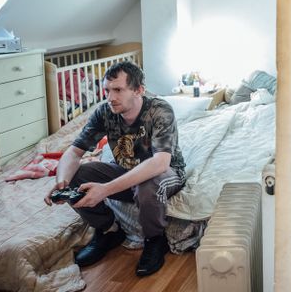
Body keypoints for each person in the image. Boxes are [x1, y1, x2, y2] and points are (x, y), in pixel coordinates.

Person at [44, 61, 186, 276]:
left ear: (139, 90)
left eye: (118, 90)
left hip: (165, 173)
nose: (110, 98)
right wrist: (61, 182)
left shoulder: (160, 110)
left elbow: (160, 163)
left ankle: (155, 239)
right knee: (77, 175)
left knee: (147, 185)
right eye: (107, 91)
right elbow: (74, 153)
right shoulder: (105, 112)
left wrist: (106, 189)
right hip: (125, 171)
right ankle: (108, 230)